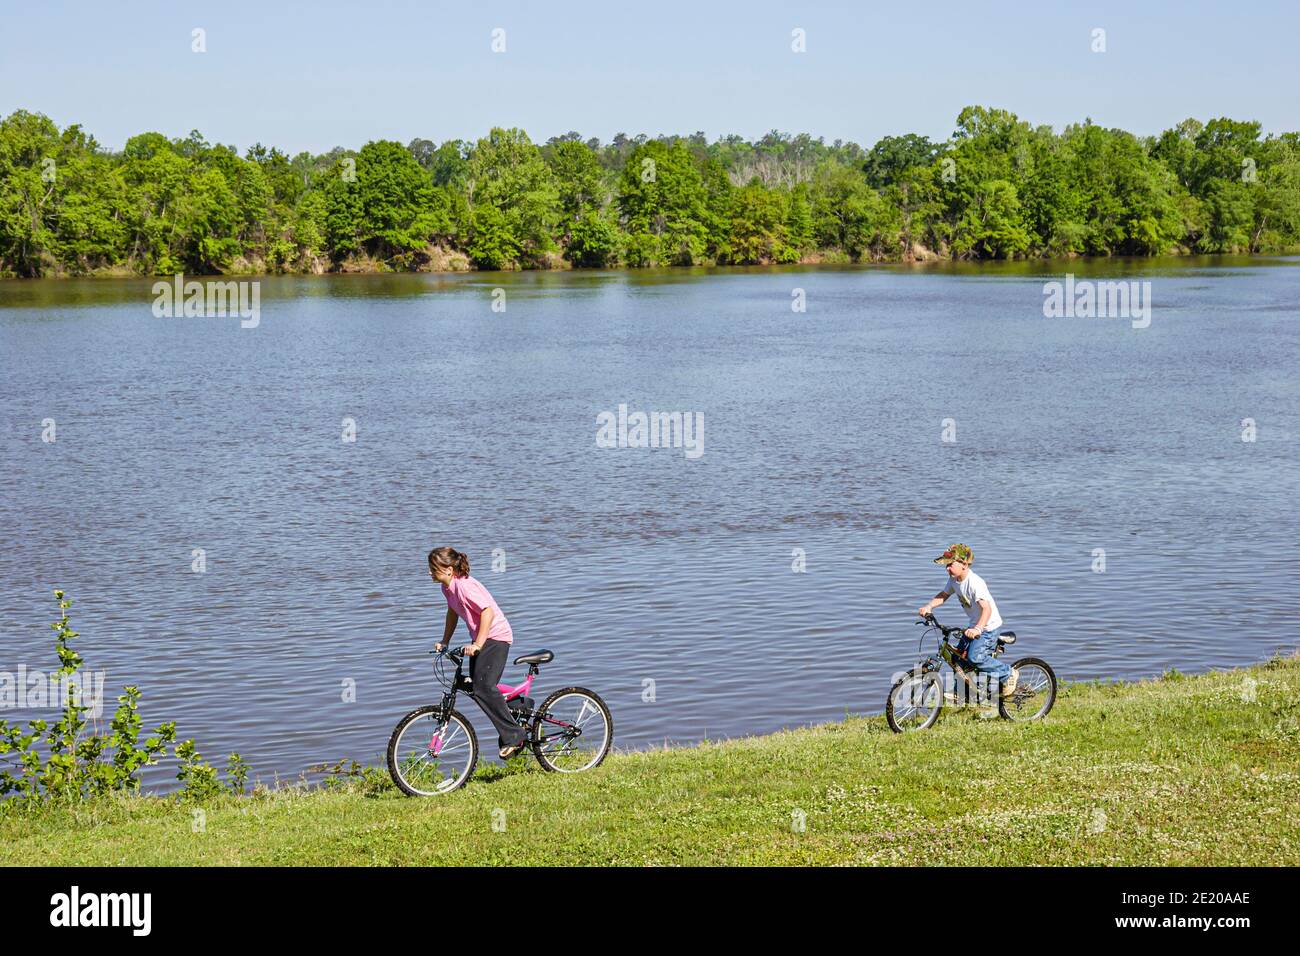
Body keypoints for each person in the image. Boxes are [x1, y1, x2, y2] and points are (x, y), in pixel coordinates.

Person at [429, 546, 529, 758]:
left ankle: (515, 735)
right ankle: (521, 706)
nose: (430, 572)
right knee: (477, 687)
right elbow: (453, 613)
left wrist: (478, 644)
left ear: (448, 569)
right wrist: (444, 641)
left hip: (496, 637)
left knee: (483, 687)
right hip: (482, 639)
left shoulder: (465, 586)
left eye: (433, 568)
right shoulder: (447, 588)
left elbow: (487, 612)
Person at [916, 543, 1018, 697]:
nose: (947, 569)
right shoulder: (954, 580)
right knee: (959, 658)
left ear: (964, 564)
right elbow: (943, 595)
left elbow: (987, 609)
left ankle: (1008, 674)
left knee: (975, 657)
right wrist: (929, 606)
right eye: (946, 565)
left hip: (988, 627)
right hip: (974, 625)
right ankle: (961, 692)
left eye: (950, 565)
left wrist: (978, 629)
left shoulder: (975, 583)